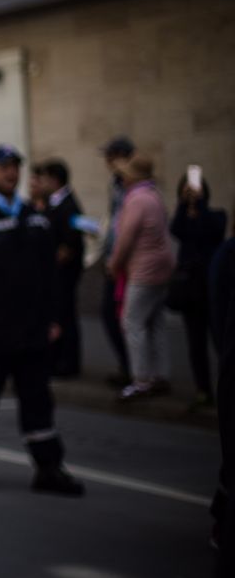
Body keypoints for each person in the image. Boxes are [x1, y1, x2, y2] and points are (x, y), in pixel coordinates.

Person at [0, 144, 83, 496]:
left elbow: (50, 275)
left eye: (15, 167)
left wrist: (54, 318)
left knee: (38, 400)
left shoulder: (35, 217)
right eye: (3, 167)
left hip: (33, 331)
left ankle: (49, 467)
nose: (11, 173)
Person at [108, 153, 176, 401]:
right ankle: (160, 375)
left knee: (132, 322)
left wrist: (114, 264)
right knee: (155, 321)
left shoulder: (137, 199)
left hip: (143, 269)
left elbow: (125, 239)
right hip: (161, 267)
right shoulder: (154, 195)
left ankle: (141, 379)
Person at [169, 171, 227, 408]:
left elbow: (211, 232)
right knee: (196, 343)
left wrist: (200, 203)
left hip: (211, 289)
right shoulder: (184, 219)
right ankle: (202, 388)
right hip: (190, 290)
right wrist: (184, 204)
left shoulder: (216, 215)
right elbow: (176, 230)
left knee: (220, 340)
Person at [40, 160, 86, 378]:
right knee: (57, 316)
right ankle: (58, 360)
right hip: (55, 271)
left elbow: (70, 243)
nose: (42, 183)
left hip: (64, 272)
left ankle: (69, 363)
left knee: (65, 316)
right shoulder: (54, 203)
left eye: (45, 178)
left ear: (54, 179)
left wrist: (52, 263)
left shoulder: (68, 205)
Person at [100, 136, 135, 385]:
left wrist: (115, 259)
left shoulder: (134, 187)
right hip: (116, 258)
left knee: (121, 316)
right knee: (115, 315)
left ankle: (134, 370)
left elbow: (127, 228)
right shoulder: (116, 184)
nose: (107, 162)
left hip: (126, 262)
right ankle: (130, 367)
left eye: (110, 156)